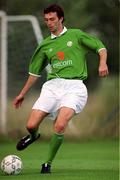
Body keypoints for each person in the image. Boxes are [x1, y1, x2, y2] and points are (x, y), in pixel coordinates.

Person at [13, 4, 109, 174]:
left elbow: (100, 48)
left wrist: (102, 63)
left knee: (60, 125)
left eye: (52, 19)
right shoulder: (45, 45)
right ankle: (34, 136)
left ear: (61, 18)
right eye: (46, 20)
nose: (49, 23)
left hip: (75, 88)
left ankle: (46, 164)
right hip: (52, 87)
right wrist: (22, 94)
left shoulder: (76, 35)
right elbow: (33, 73)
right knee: (31, 125)